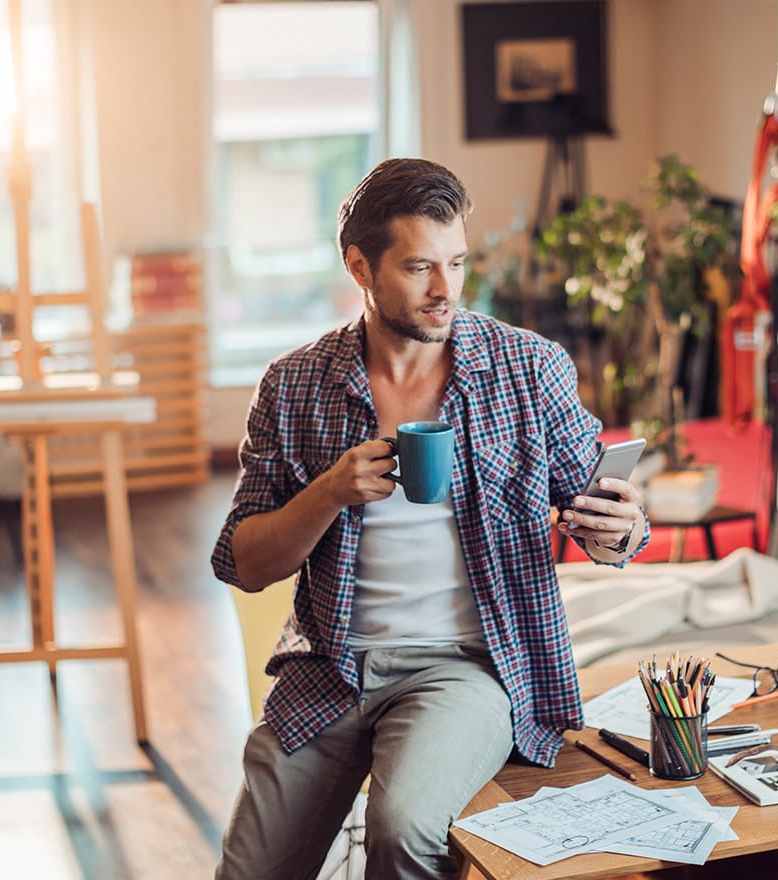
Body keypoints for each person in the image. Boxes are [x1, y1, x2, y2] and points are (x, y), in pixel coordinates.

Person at [213, 157, 648, 880]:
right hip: (330, 669)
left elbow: (611, 519)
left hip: (464, 671)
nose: (447, 290)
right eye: (420, 268)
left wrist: (619, 531)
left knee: (404, 828)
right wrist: (328, 492)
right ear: (361, 267)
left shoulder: (526, 368)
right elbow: (245, 562)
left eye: (456, 263)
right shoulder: (294, 386)